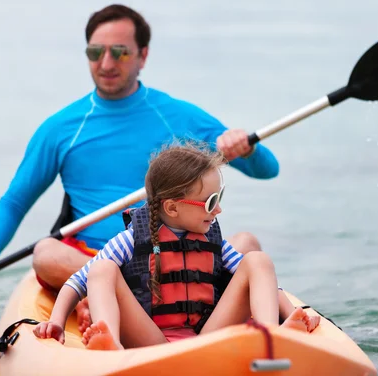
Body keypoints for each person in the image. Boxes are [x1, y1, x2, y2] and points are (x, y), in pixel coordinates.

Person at [0, 4, 279, 300]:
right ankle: (125, 294)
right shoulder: (62, 128)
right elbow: (15, 201)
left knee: (247, 245)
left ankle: (157, 295)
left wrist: (246, 150)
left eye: (119, 52)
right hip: (100, 263)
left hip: (179, 255)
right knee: (47, 254)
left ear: (143, 56)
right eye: (96, 52)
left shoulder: (178, 117)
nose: (106, 63)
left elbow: (267, 170)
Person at [33, 144, 318, 348]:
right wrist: (57, 321)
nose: (218, 210)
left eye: (219, 197)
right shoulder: (132, 240)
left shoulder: (212, 241)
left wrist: (295, 310)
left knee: (256, 260)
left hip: (205, 335)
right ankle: (110, 344)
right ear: (171, 207)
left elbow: (261, 279)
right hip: (150, 340)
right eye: (209, 202)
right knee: (101, 269)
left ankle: (271, 336)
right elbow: (76, 282)